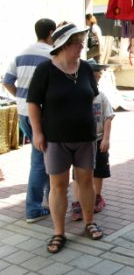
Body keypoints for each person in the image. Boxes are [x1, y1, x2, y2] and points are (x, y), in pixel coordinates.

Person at [27, 22, 103, 254]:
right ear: (62, 46)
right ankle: (59, 232)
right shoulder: (45, 71)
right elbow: (33, 103)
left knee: (86, 182)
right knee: (58, 186)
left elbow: (92, 97)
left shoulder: (86, 69)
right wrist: (38, 132)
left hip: (85, 137)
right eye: (77, 43)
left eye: (81, 42)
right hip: (55, 139)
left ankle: (89, 222)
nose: (82, 47)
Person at [3, 18, 56, 223]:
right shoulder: (50, 56)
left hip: (24, 111)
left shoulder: (20, 53)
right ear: (51, 32)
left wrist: (21, 96)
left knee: (41, 156)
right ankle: (35, 207)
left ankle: (50, 198)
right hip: (42, 113)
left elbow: (7, 81)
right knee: (41, 160)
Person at [71, 59, 114, 221]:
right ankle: (77, 203)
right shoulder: (76, 94)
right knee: (77, 174)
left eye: (99, 73)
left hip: (98, 139)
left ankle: (96, 197)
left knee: (99, 171)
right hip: (81, 142)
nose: (98, 76)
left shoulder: (101, 96)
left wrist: (106, 139)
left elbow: (108, 117)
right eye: (95, 73)